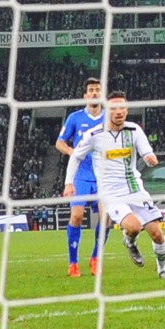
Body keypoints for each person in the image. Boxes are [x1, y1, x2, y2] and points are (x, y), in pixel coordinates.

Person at [64, 91, 165, 280]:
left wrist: (150, 159)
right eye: (114, 108)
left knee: (156, 233)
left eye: (122, 108)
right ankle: (130, 241)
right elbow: (75, 157)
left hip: (135, 189)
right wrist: (68, 183)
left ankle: (163, 269)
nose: (119, 112)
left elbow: (146, 153)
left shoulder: (134, 130)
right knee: (133, 226)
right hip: (111, 193)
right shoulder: (95, 134)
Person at [56, 77, 108, 277]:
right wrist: (72, 153)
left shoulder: (109, 118)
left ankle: (95, 258)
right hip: (81, 176)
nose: (94, 93)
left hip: (103, 176)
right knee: (77, 216)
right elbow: (59, 142)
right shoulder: (75, 118)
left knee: (106, 218)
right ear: (86, 95)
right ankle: (73, 263)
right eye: (91, 90)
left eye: (97, 89)